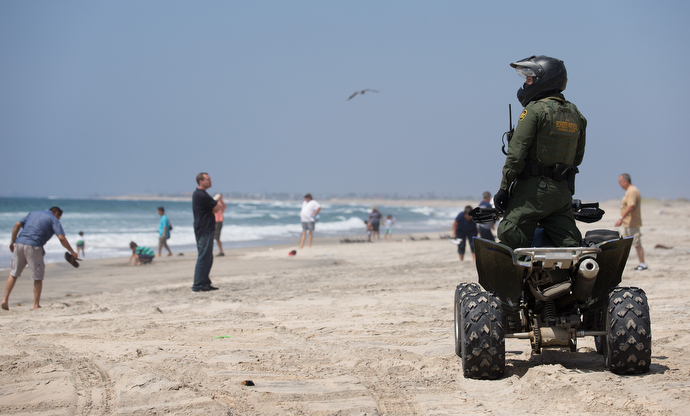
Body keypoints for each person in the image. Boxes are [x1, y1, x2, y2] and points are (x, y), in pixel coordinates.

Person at [494, 55, 587, 249]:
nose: (526, 84)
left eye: (529, 79)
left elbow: (516, 156)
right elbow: (577, 158)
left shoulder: (535, 110)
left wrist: (503, 188)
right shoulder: (575, 113)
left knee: (508, 231)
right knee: (571, 244)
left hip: (533, 192)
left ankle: (526, 268)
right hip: (562, 193)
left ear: (543, 80)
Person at [2, 207, 79, 310]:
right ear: (56, 213)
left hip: (19, 243)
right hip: (34, 246)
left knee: (13, 273)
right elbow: (61, 237)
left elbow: (17, 225)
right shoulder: (53, 219)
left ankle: (5, 300)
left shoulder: (32, 213)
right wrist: (72, 252)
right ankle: (35, 304)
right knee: (38, 277)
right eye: (59, 217)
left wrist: (12, 241)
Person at [192, 172, 222, 292]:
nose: (210, 181)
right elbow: (217, 207)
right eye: (208, 180)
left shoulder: (201, 194)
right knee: (204, 256)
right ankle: (198, 284)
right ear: (201, 181)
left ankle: (204, 282)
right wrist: (217, 200)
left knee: (208, 257)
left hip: (206, 227)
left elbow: (214, 209)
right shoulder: (201, 194)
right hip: (203, 228)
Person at [615, 173, 647, 270]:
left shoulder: (632, 191)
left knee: (637, 243)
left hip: (632, 223)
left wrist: (621, 218)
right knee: (624, 243)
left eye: (620, 182)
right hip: (627, 223)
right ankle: (620, 264)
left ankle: (642, 264)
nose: (619, 185)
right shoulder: (629, 191)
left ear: (626, 181)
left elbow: (631, 206)